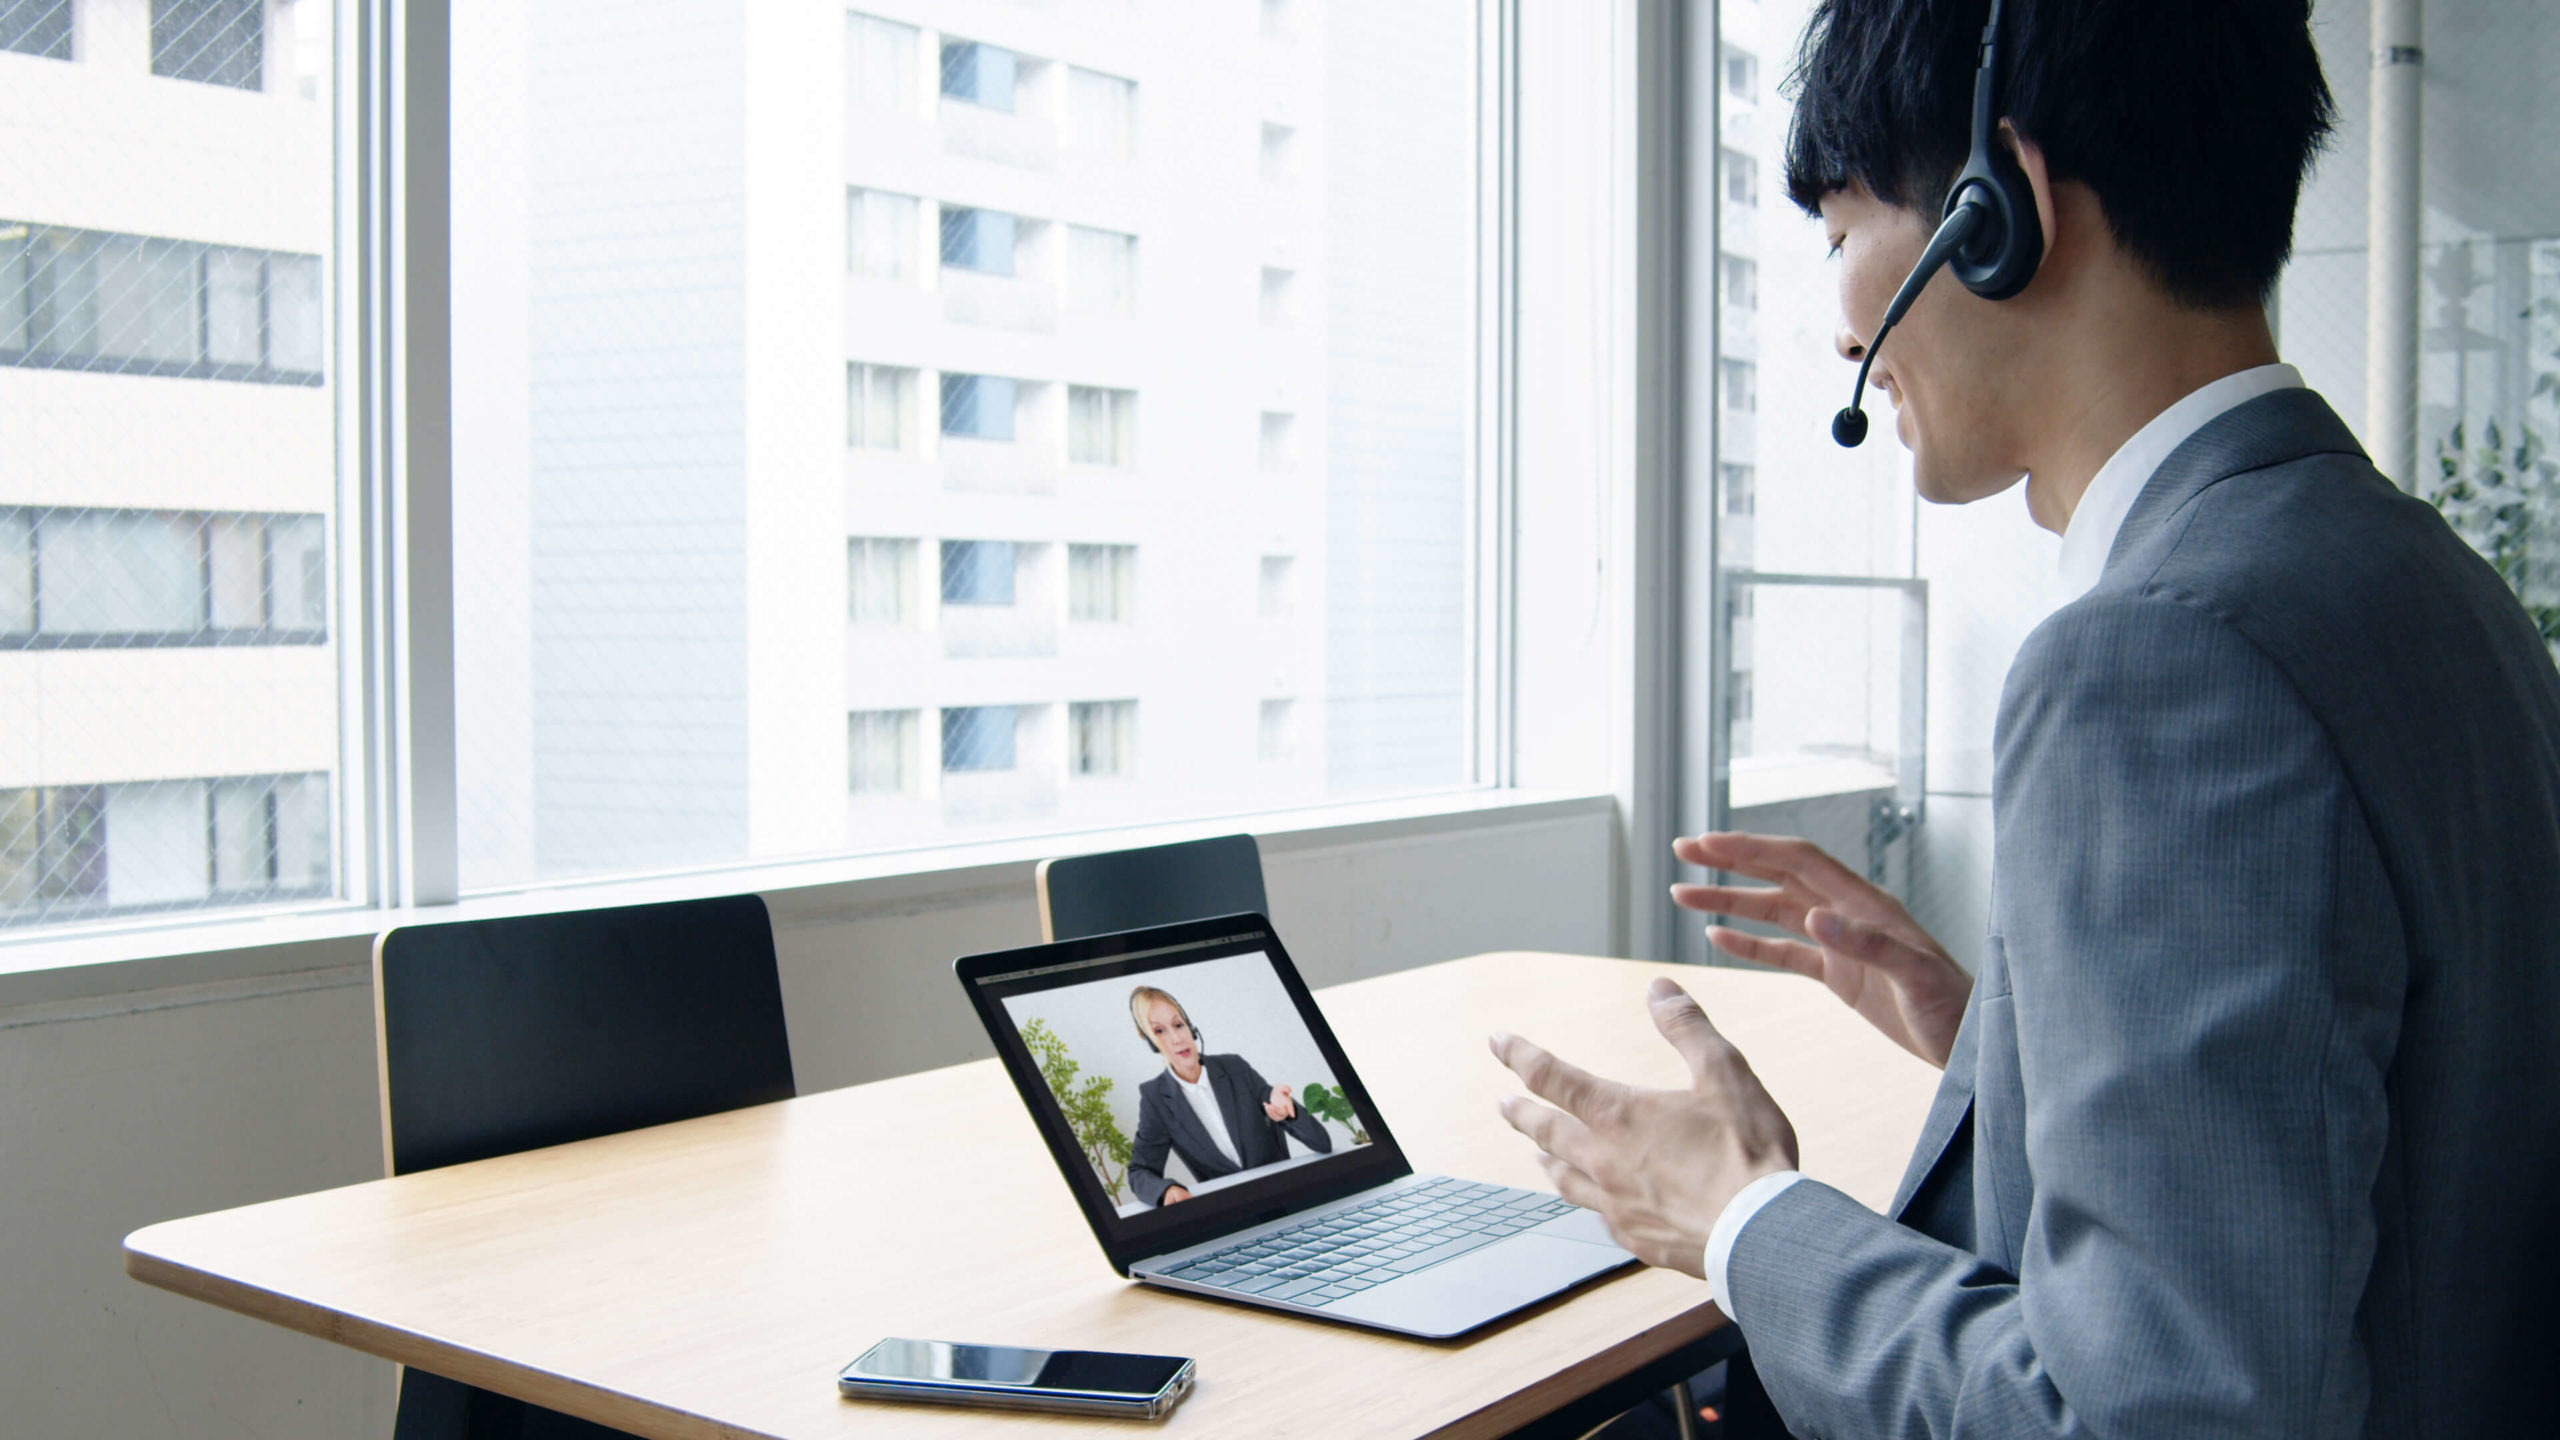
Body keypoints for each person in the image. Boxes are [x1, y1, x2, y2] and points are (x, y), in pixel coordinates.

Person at [1491, 0, 2560, 1434]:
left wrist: (1740, 1220)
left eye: (1837, 233)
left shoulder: (2155, 660)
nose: (1837, 322)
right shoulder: (2424, 577)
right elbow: (2391, 1130)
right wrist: (2008, 1041)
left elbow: (2153, 1416)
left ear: (2002, 211)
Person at [1125, 985, 1331, 1207]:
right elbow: (1139, 1171)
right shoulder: (1155, 1098)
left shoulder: (1235, 1068)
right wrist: (1165, 1190)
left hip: (1287, 1199)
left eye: (1178, 1025)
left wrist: (1288, 1111)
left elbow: (1323, 1144)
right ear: (1147, 1038)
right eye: (1159, 1031)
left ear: (1191, 1027)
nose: (1177, 1039)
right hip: (1232, 1212)